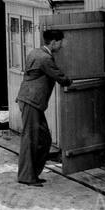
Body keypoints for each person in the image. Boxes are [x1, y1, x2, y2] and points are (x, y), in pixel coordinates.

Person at [16, 29, 73, 187]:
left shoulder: (35, 52)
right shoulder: (45, 58)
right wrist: (72, 81)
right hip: (31, 101)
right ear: (54, 42)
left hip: (29, 100)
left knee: (44, 139)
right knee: (31, 139)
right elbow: (59, 77)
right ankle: (27, 177)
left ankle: (32, 174)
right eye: (60, 42)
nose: (62, 45)